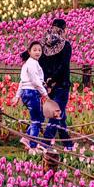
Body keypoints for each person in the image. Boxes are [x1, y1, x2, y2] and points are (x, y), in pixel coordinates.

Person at [39, 18, 74, 151]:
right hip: (61, 84)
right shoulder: (65, 45)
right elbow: (63, 65)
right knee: (56, 113)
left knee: (61, 115)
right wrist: (54, 79)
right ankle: (45, 143)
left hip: (48, 84)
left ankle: (68, 144)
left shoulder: (44, 44)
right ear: (64, 29)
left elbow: (40, 63)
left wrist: (47, 80)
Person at [11, 41, 48, 150]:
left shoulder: (28, 63)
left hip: (26, 93)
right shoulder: (32, 63)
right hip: (32, 93)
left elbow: (22, 82)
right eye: (35, 50)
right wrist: (45, 94)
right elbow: (35, 81)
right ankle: (33, 146)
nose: (37, 52)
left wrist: (18, 96)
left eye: (39, 50)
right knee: (36, 120)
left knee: (39, 117)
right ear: (29, 51)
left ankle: (27, 138)